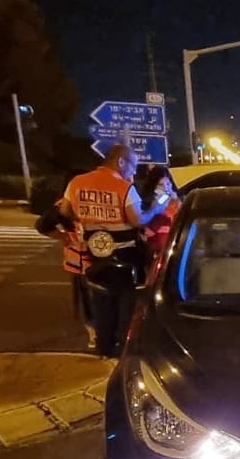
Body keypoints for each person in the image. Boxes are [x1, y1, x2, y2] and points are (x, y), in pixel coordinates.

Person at [57, 145, 168, 357]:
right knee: (126, 304)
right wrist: (156, 208)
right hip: (125, 256)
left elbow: (65, 212)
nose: (133, 172)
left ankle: (104, 347)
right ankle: (122, 349)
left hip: (95, 255)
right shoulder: (123, 188)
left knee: (101, 303)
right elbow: (138, 220)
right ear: (121, 162)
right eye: (132, 166)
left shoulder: (77, 183)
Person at [34, 175, 97, 349]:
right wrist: (65, 237)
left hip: (95, 258)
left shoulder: (90, 200)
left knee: (98, 299)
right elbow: (43, 225)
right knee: (87, 300)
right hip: (79, 261)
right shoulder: (63, 205)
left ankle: (99, 330)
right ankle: (93, 333)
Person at [137, 165, 182, 267]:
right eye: (161, 185)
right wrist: (155, 209)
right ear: (153, 187)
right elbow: (144, 228)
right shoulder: (147, 206)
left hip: (173, 251)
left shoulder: (177, 203)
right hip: (155, 254)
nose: (166, 188)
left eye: (168, 184)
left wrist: (177, 201)